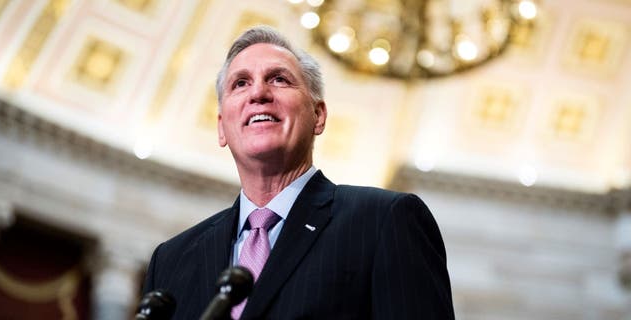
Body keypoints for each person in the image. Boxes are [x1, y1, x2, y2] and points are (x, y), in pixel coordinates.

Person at [143, 26, 455, 319]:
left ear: (318, 116)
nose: (258, 93)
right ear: (222, 127)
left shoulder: (384, 221)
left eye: (279, 79)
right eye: (240, 83)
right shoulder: (170, 261)